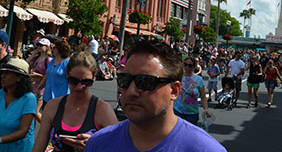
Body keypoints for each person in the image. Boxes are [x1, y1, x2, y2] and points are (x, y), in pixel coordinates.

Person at [85, 40, 226, 152]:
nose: (131, 91)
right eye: (124, 80)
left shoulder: (205, 148)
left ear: (174, 91)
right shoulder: (99, 143)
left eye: (145, 82)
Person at [33, 50, 118, 152]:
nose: (79, 87)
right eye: (73, 81)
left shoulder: (103, 110)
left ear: (94, 77)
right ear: (67, 76)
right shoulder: (53, 106)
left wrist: (95, 144)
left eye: (86, 82)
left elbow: (118, 146)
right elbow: (39, 146)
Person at [174, 57, 210, 125]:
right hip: (177, 111)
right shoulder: (178, 76)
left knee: (189, 134)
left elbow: (203, 96)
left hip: (192, 113)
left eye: (190, 65)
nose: (187, 67)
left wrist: (206, 109)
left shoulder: (198, 79)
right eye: (185, 64)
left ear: (194, 67)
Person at [36, 40, 71, 105]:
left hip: (60, 98)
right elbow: (47, 75)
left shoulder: (68, 63)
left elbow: (71, 80)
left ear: (60, 49)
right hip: (47, 97)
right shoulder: (53, 60)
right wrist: (39, 88)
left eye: (54, 48)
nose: (52, 50)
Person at [26, 37, 52, 123]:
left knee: (35, 112)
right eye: (38, 45)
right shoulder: (36, 58)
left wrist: (39, 75)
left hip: (41, 89)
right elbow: (26, 63)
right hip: (32, 86)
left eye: (42, 45)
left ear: (47, 47)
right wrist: (33, 54)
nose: (39, 47)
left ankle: (48, 128)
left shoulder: (48, 60)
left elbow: (48, 75)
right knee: (30, 113)